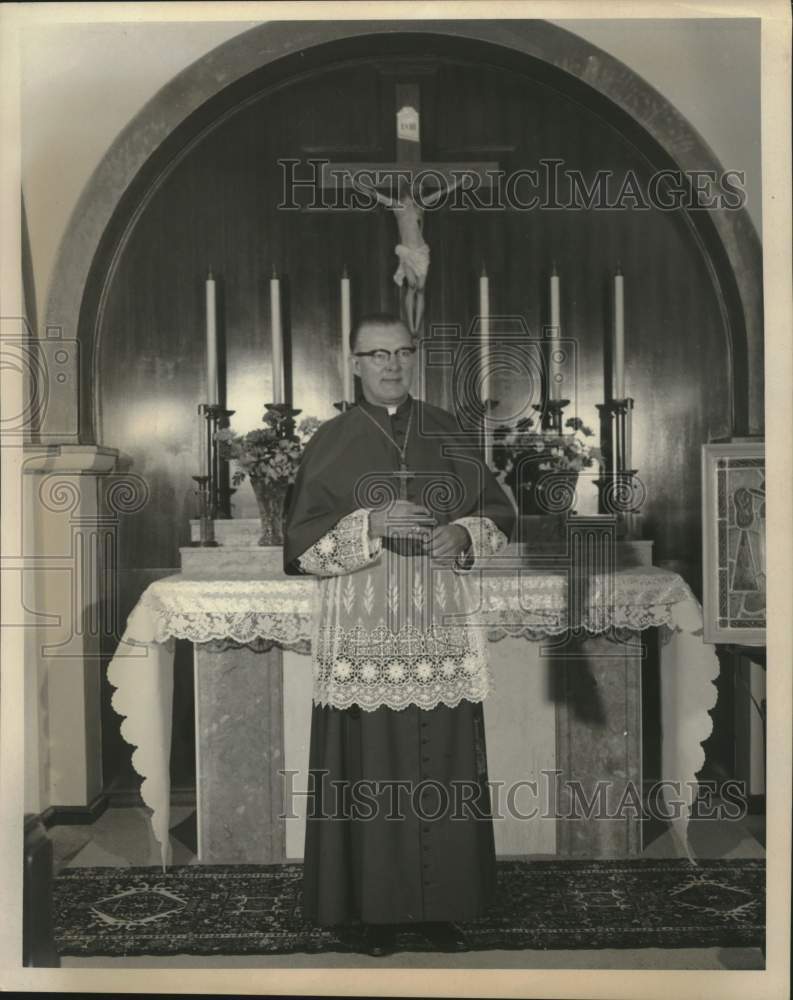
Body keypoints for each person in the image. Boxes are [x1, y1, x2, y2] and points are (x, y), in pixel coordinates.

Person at [283, 313, 514, 956]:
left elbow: (497, 510)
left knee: (440, 759)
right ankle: (370, 913)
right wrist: (372, 524)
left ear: (415, 359)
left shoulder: (450, 431)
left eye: (402, 352)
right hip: (364, 628)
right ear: (353, 363)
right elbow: (301, 546)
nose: (390, 364)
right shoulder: (330, 440)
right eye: (375, 353)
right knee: (369, 765)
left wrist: (464, 533)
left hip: (438, 622)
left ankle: (443, 909)